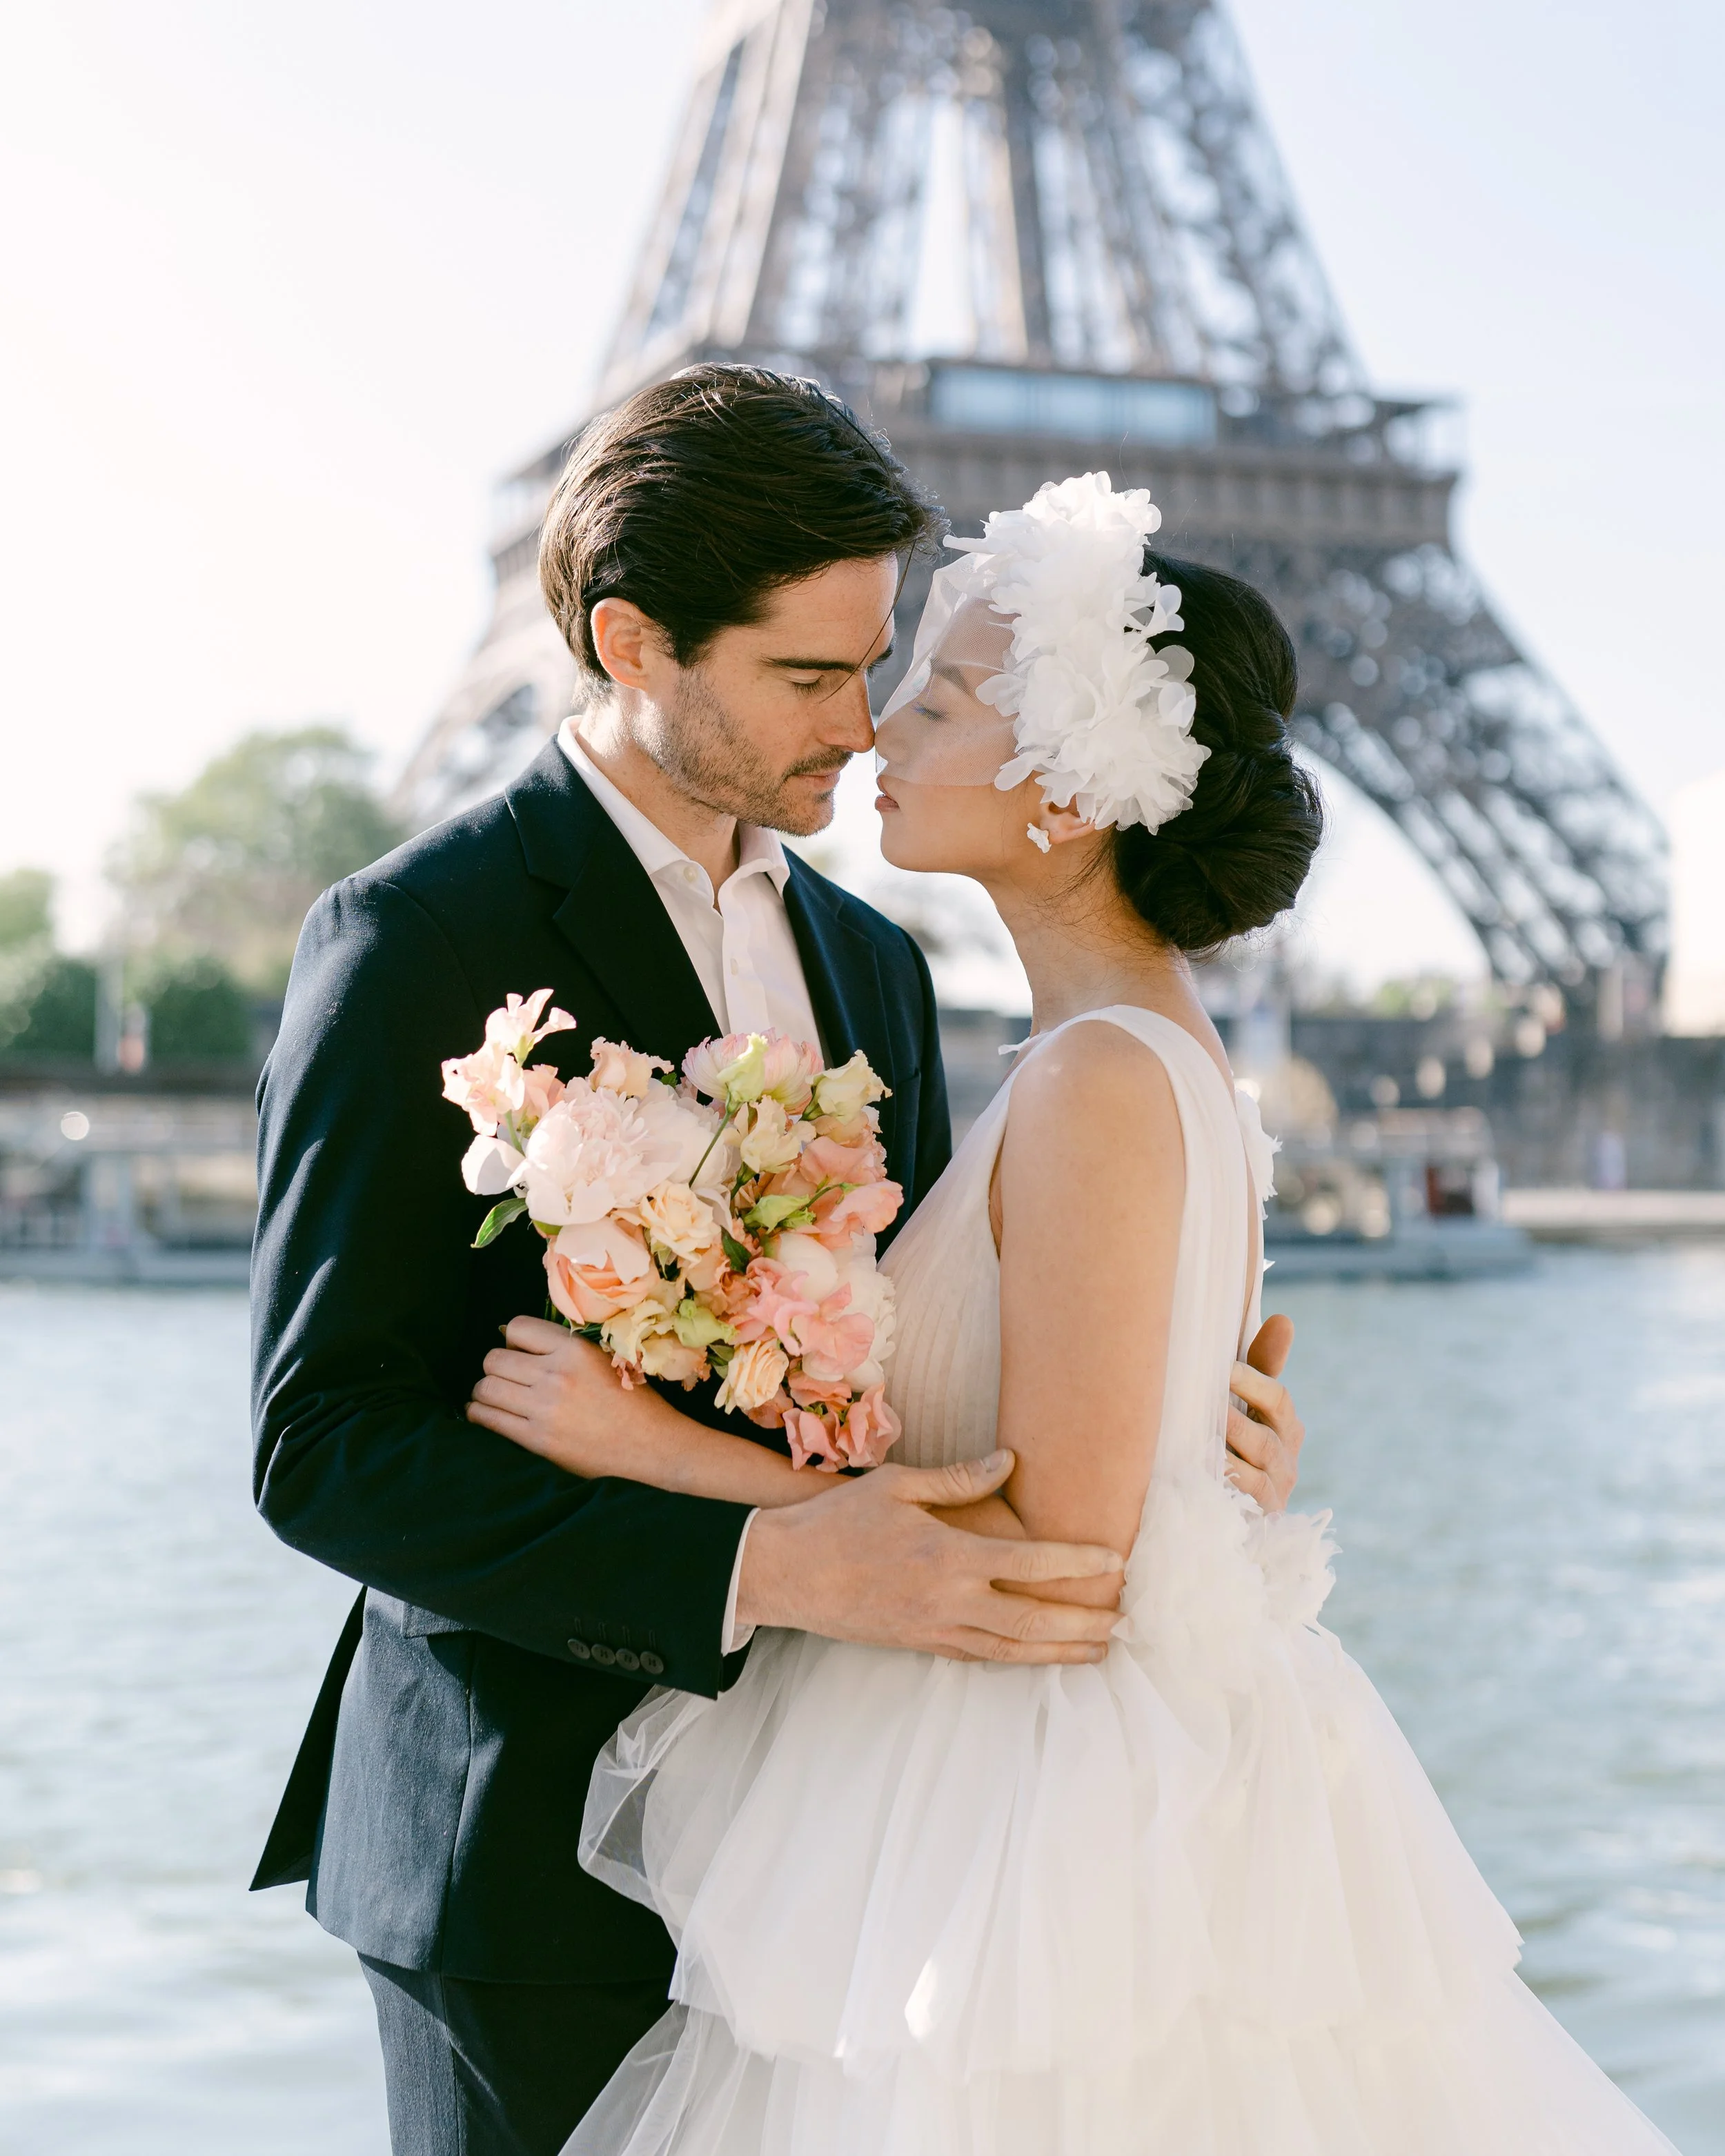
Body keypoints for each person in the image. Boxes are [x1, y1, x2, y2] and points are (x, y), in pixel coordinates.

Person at [471, 475, 1682, 2154]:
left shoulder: (1102, 1079)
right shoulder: (1112, 1056)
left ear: (1067, 793)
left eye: (944, 698)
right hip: (1024, 1793)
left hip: (1021, 1820)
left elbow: (1057, 1548)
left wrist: (646, 1443)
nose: (884, 720)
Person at [249, 373, 1305, 2156]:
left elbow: (939, 1358)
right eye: (809, 679)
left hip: (872, 1856)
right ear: (632, 638)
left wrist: (1182, 1437)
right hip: (527, 1855)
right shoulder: (414, 937)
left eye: (882, 662)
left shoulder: (872, 962)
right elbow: (324, 1440)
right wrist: (756, 1565)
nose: (862, 721)